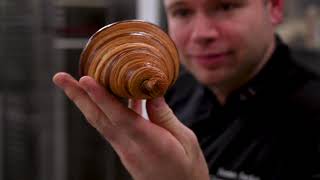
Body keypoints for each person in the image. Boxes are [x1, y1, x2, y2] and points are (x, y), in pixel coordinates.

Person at [53, 0, 320, 179]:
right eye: (182, 12)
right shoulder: (172, 92)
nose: (202, 34)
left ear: (273, 8)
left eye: (225, 6)